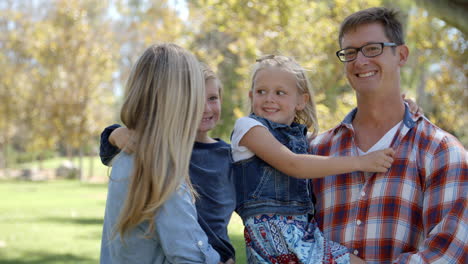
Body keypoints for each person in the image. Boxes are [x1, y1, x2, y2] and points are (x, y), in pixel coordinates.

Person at [310, 7, 467, 264]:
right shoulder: (317, 151)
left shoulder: (441, 152)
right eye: (350, 52)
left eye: (373, 48)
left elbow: (447, 254)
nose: (360, 61)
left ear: (401, 55)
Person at [231, 54, 396, 263]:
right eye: (261, 91)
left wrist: (397, 107)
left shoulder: (301, 139)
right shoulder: (248, 128)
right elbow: (294, 164)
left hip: (301, 230)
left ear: (301, 101)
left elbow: (331, 141)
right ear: (251, 95)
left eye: (280, 92)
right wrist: (361, 162)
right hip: (275, 234)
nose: (269, 98)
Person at [100, 64, 236, 263]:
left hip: (219, 256)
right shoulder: (166, 149)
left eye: (213, 98)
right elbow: (109, 152)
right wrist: (115, 134)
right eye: (195, 100)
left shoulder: (230, 156)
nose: (206, 108)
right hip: (183, 253)